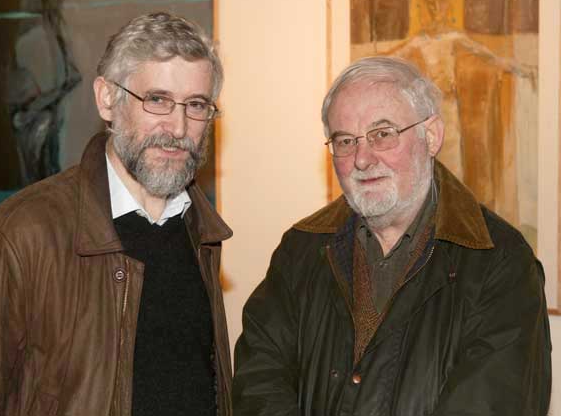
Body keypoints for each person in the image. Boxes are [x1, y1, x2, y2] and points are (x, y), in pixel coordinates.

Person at [232, 56, 551, 415]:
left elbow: (491, 404)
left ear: (430, 136)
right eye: (345, 141)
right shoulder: (300, 250)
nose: (362, 159)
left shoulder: (499, 261)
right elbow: (258, 381)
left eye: (382, 134)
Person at [0, 12, 232, 416]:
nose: (178, 127)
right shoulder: (19, 236)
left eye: (195, 105)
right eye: (157, 99)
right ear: (107, 99)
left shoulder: (200, 231)